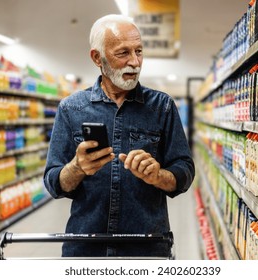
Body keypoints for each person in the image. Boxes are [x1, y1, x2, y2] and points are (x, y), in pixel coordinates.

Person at [43, 14, 195, 258]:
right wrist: (77, 167)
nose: (134, 62)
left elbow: (185, 172)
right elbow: (53, 183)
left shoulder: (162, 107)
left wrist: (158, 176)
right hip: (85, 249)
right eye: (123, 53)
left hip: (146, 249)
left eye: (139, 51)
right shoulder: (71, 109)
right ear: (97, 58)